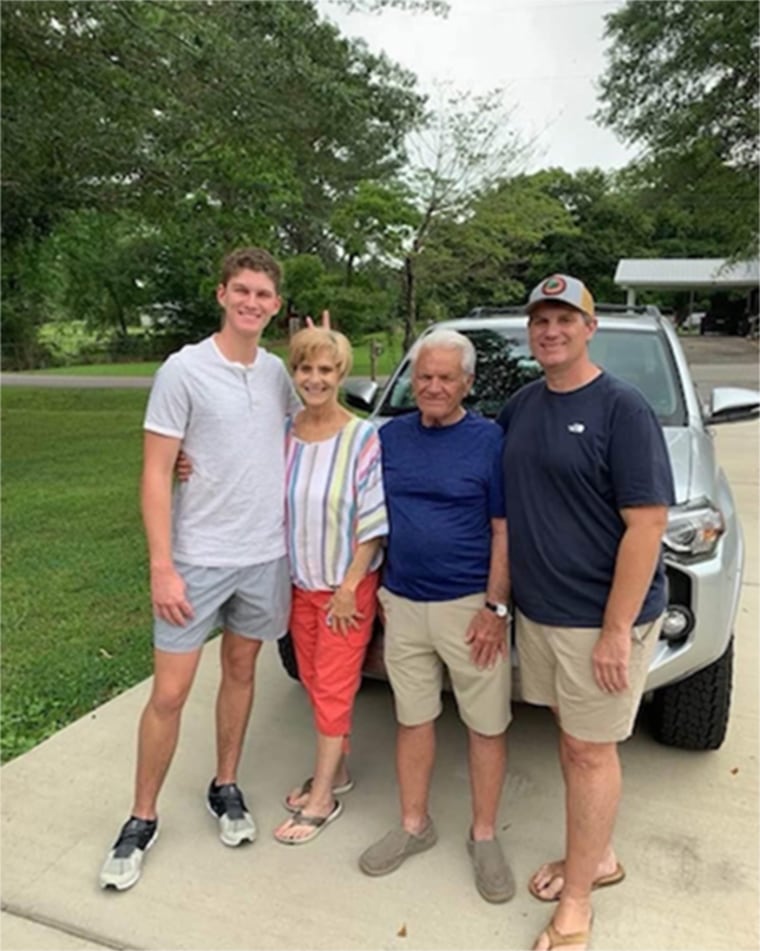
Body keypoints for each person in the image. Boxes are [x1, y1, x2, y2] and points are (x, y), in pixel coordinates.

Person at [99, 247, 301, 891]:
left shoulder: (276, 375)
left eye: (263, 294)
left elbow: (308, 433)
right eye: (241, 290)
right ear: (221, 295)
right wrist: (162, 566)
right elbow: (157, 471)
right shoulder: (183, 370)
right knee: (170, 693)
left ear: (275, 304)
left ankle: (225, 784)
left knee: (241, 673)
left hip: (265, 554)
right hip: (196, 558)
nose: (251, 303)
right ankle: (141, 816)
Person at [497, 275, 675, 951]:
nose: (551, 330)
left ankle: (578, 900)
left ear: (589, 327)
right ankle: (595, 856)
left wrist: (614, 633)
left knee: (590, 750)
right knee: (574, 742)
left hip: (600, 619)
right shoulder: (522, 405)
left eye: (565, 319)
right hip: (542, 615)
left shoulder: (622, 410)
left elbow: (646, 525)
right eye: (540, 320)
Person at [358, 329, 515, 905]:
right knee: (413, 719)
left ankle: (484, 835)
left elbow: (504, 529)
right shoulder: (388, 438)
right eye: (424, 376)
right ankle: (413, 824)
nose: (433, 387)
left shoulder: (489, 441)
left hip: (468, 608)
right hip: (401, 602)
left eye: (446, 377)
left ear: (467, 384)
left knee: (486, 724)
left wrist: (496, 607)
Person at [272, 327, 389, 844]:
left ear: (341, 375)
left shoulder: (361, 436)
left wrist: (348, 587)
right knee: (316, 683)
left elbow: (373, 520)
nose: (314, 379)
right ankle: (335, 772)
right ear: (294, 373)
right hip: (299, 585)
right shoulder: (284, 434)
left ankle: (322, 800)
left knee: (336, 688)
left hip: (346, 588)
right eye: (305, 369)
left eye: (325, 370)